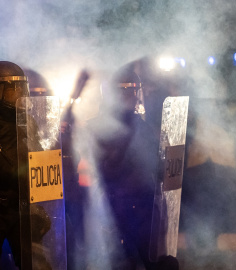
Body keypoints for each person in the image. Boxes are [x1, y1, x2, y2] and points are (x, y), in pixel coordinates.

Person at [89, 64, 178, 270]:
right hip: (115, 207)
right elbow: (105, 166)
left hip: (144, 205)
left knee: (154, 260)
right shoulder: (99, 126)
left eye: (133, 90)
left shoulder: (144, 126)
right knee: (122, 262)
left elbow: (157, 164)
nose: (130, 96)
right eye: (125, 90)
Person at [0, 61, 30, 270]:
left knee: (34, 261)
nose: (19, 93)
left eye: (21, 87)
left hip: (21, 206)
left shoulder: (27, 119)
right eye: (12, 87)